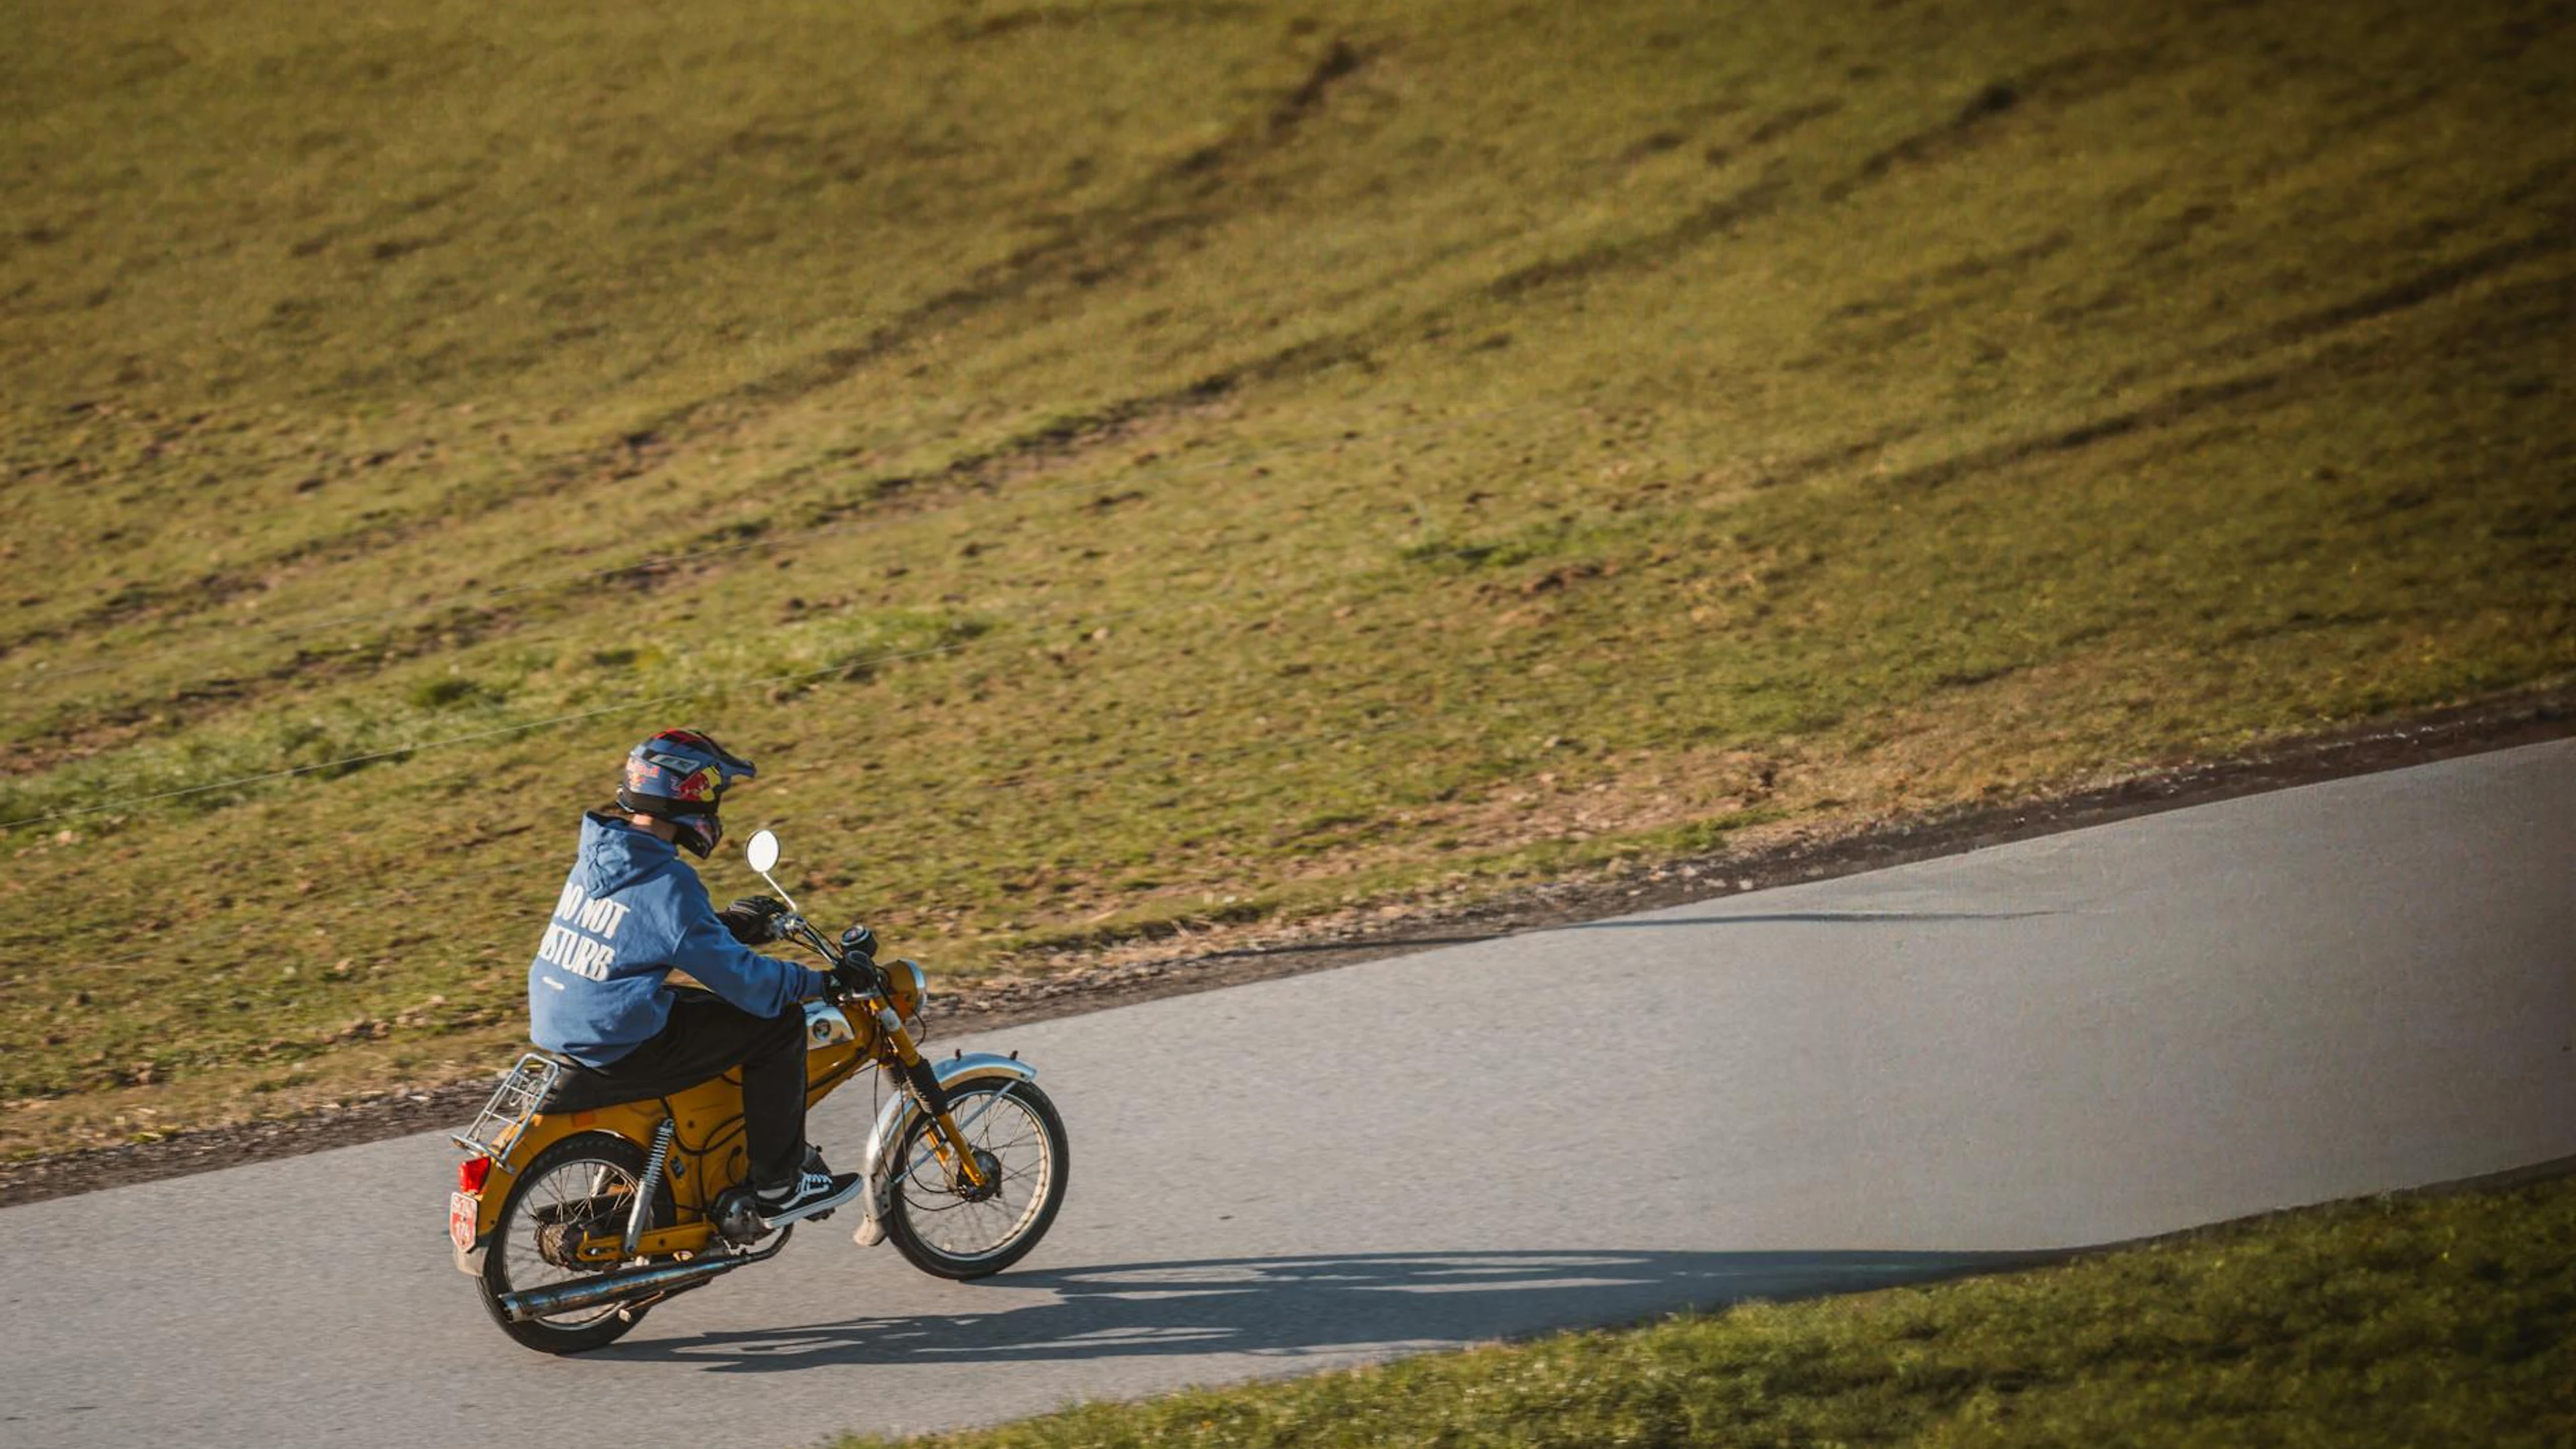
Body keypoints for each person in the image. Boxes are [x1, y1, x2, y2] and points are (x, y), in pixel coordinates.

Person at [526, 728, 862, 1226]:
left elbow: (643, 932)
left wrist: (725, 926)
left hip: (569, 1017)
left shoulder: (604, 854)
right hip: (618, 1036)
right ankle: (779, 1184)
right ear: (692, 795)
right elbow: (752, 986)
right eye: (715, 796)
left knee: (704, 1011)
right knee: (776, 1023)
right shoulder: (669, 882)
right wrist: (823, 983)